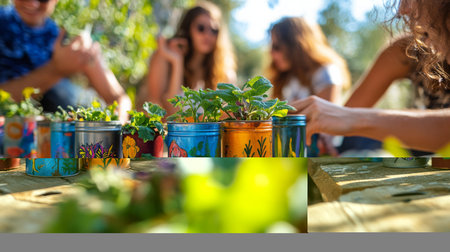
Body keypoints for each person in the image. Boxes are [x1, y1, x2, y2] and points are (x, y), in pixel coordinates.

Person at [290, 0, 450, 153]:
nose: (402, 10)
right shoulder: (409, 50)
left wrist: (353, 119)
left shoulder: (325, 72)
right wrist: (326, 135)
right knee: (356, 142)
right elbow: (347, 113)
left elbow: (348, 116)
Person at [0, 0, 131, 122]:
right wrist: (56, 70)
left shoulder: (68, 39)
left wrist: (115, 127)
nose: (33, 3)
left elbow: (119, 98)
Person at [268, 17, 351, 156]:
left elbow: (324, 126)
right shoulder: (288, 77)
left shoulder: (326, 73)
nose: (271, 53)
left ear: (296, 45)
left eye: (276, 47)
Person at [140, 1, 236, 115]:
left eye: (214, 30)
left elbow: (228, 117)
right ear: (188, 28)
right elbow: (167, 112)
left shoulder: (223, 73)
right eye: (201, 28)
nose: (208, 34)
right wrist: (177, 62)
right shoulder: (164, 57)